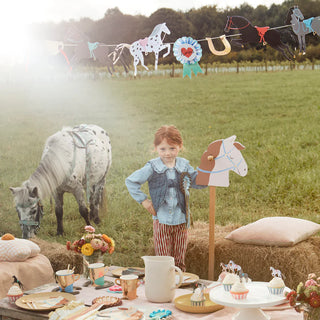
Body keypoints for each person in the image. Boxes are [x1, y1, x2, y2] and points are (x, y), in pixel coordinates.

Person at [125, 125, 205, 271]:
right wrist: (144, 201)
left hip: (181, 219)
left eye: (172, 148)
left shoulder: (183, 165)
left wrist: (208, 173)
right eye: (163, 149)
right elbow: (131, 181)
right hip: (161, 220)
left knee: (179, 258)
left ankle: (178, 283)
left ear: (180, 147)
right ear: (156, 148)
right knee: (163, 259)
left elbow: (196, 181)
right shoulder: (152, 167)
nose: (168, 153)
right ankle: (164, 284)